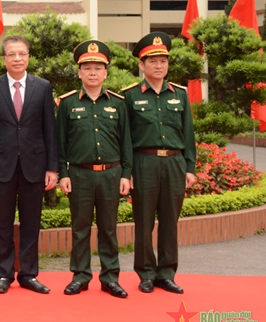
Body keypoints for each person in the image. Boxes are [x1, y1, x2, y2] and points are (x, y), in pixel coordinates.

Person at [0, 35, 58, 294]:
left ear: (28, 57)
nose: (17, 58)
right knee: (2, 225)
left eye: (22, 54)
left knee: (31, 223)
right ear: (4, 59)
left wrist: (52, 168)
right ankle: (4, 274)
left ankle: (28, 274)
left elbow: (49, 129)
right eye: (12, 54)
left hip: (34, 165)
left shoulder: (43, 87)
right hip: (1, 165)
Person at [56, 40, 133, 298]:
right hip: (80, 174)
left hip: (111, 174)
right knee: (80, 228)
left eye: (98, 68)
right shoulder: (67, 104)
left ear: (105, 73)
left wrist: (126, 174)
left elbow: (126, 142)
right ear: (79, 73)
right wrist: (63, 174)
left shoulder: (118, 103)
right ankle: (80, 276)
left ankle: (110, 277)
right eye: (87, 68)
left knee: (109, 228)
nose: (92, 73)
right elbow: (60, 143)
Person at [123, 32, 196, 294]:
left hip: (174, 164)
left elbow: (188, 134)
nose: (158, 65)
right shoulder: (130, 96)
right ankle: (145, 273)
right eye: (152, 61)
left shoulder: (180, 95)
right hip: (144, 163)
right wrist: (127, 171)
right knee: (143, 221)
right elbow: (125, 138)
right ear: (141, 65)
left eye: (163, 61)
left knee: (169, 221)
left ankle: (166, 273)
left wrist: (190, 168)